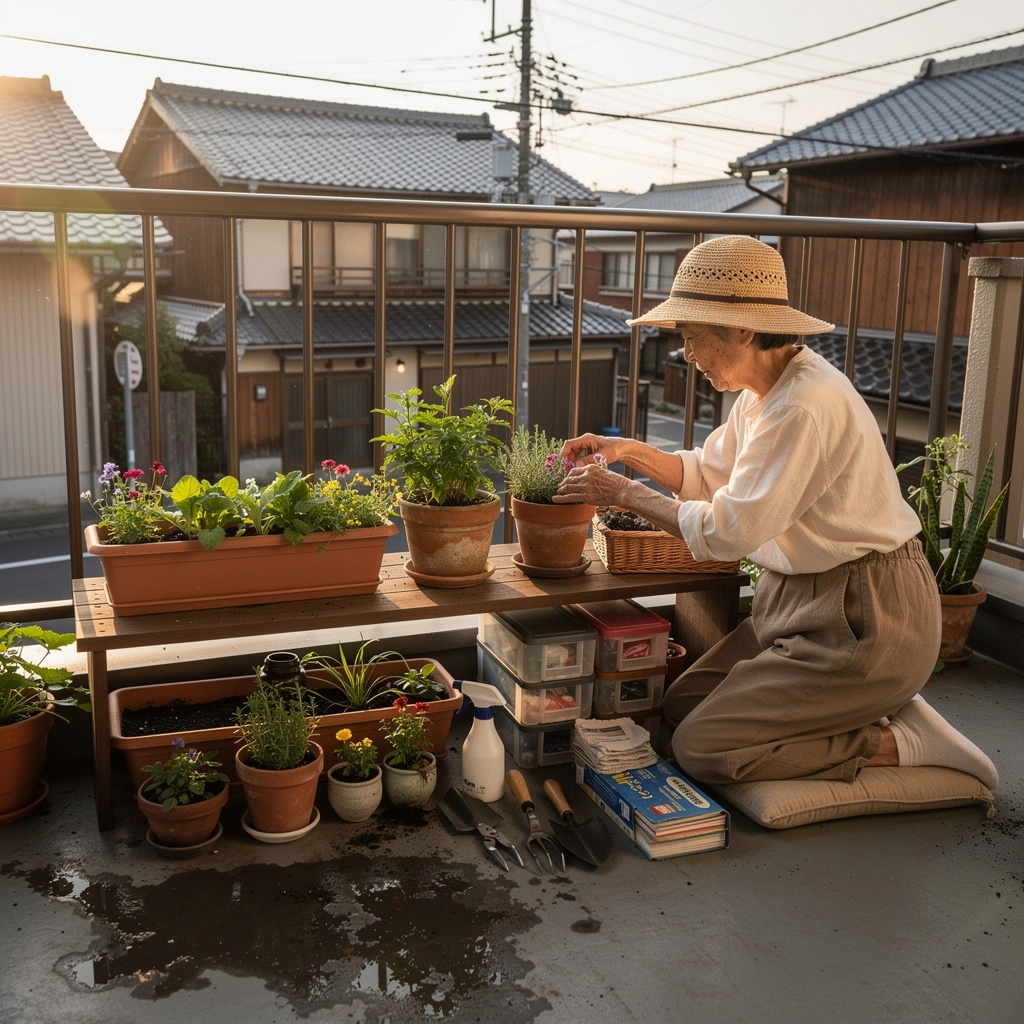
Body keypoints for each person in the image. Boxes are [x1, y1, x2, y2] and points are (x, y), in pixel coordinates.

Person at [553, 235, 997, 790]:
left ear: (742, 330)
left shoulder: (803, 404)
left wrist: (621, 492)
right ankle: (863, 705)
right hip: (797, 606)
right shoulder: (761, 395)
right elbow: (708, 473)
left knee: (699, 747)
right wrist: (627, 451)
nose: (686, 355)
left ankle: (896, 739)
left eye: (691, 337)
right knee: (681, 706)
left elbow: (728, 531)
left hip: (866, 618)